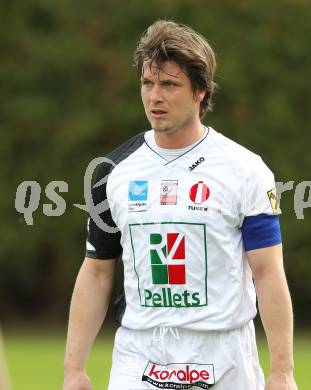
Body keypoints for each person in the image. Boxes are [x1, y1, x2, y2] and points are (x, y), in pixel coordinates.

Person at [63, 20, 298, 390]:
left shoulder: (245, 170)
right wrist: (74, 370)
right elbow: (96, 271)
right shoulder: (110, 172)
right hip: (140, 354)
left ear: (200, 92)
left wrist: (282, 372)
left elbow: (268, 273)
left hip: (225, 356)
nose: (155, 97)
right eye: (147, 83)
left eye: (170, 85)